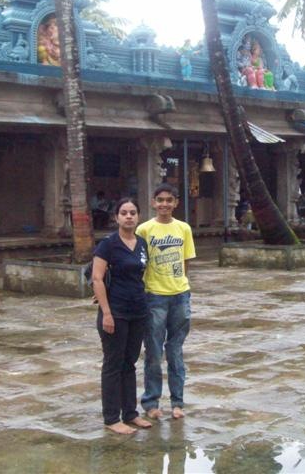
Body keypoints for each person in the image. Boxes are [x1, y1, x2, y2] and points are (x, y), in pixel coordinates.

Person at [91, 197, 153, 435]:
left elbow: (141, 275)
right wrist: (106, 312)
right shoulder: (108, 244)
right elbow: (97, 278)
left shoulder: (142, 244)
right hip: (115, 312)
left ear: (138, 217)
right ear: (116, 217)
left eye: (133, 212)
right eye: (124, 213)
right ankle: (111, 417)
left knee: (130, 363)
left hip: (138, 311)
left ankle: (130, 413)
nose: (129, 216)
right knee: (113, 364)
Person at [136, 183, 196, 420]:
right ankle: (151, 403)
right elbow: (138, 262)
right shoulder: (144, 230)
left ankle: (178, 402)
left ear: (176, 203)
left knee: (175, 350)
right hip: (154, 296)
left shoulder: (184, 229)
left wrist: (180, 284)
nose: (164, 204)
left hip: (180, 295)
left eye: (169, 200)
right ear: (153, 202)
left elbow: (185, 262)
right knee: (153, 351)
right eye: (160, 200)